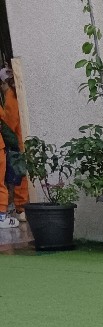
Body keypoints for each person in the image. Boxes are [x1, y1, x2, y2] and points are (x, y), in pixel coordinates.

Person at [0, 66, 28, 227]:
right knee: (20, 175)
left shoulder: (11, 95)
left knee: (17, 175)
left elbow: (9, 122)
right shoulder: (19, 92)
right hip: (22, 139)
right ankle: (20, 208)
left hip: (15, 141)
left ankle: (20, 208)